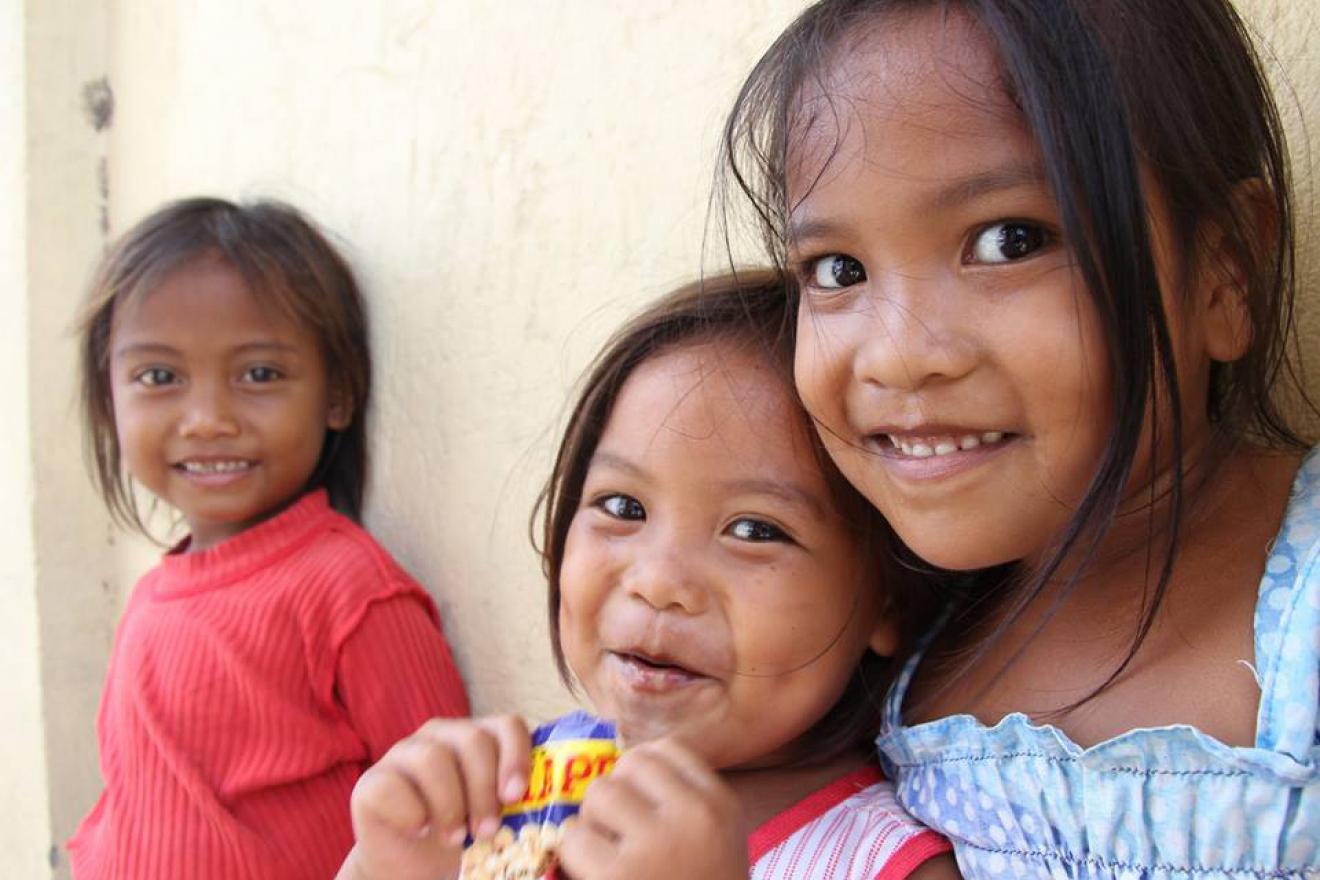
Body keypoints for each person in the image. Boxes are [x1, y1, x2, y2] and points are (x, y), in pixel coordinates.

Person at [719, 1, 1319, 877]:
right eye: (837, 271)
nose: (898, 355)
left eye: (1010, 242)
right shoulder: (893, 638)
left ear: (1224, 271)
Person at [338, 271, 957, 880]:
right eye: (623, 508)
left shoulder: (884, 864)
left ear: (888, 602)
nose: (657, 582)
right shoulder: (510, 796)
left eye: (754, 530)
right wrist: (384, 867)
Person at [68, 197, 470, 879]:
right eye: (160, 377)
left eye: (259, 374)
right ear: (111, 401)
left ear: (338, 394)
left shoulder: (350, 590)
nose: (207, 420)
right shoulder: (155, 592)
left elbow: (454, 810)